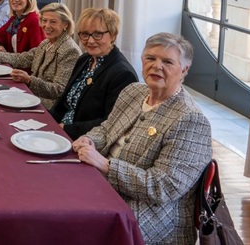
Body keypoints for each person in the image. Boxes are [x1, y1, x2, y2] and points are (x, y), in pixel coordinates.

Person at [73, 33, 212, 245]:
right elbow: (106, 129)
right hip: (103, 187)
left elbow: (163, 187)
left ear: (184, 70)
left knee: (70, 222)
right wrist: (89, 140)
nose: (156, 66)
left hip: (150, 218)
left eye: (167, 62)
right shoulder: (133, 92)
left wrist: (106, 165)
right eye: (150, 58)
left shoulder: (190, 120)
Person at [49, 7, 138, 139]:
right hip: (59, 129)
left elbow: (111, 122)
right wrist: (48, 121)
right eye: (85, 34)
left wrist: (65, 129)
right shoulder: (84, 59)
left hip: (84, 140)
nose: (90, 41)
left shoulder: (123, 74)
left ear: (113, 35)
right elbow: (64, 102)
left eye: (97, 34)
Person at [0, 3, 81, 109]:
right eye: (44, 20)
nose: (47, 26)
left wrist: (29, 80)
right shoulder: (46, 43)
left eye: (53, 22)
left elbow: (59, 90)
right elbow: (23, 58)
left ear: (65, 24)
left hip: (49, 107)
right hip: (33, 97)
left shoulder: (70, 50)